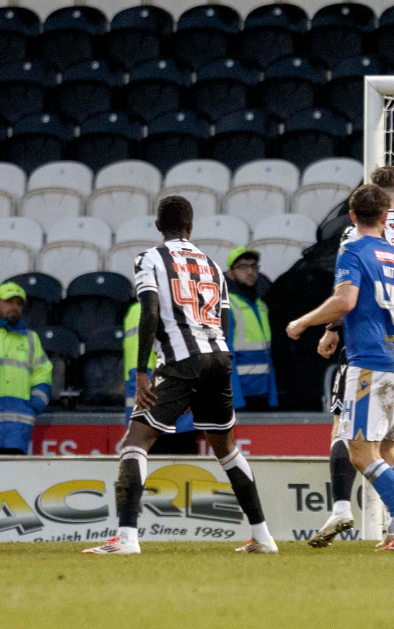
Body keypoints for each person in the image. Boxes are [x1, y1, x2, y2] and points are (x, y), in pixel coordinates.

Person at [83, 195, 276, 555]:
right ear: (190, 227)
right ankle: (263, 536)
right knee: (227, 449)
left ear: (158, 226)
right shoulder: (213, 266)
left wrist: (142, 370)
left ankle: (126, 538)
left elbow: (150, 312)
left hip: (180, 361)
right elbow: (222, 319)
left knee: (135, 442)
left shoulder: (150, 258)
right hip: (218, 359)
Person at [286, 184, 394, 551]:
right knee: (389, 449)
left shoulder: (353, 248)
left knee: (360, 452)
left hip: (369, 360)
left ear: (351, 216)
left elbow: (345, 299)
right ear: (385, 217)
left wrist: (304, 322)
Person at [0, 282, 51, 455]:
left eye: (18, 303)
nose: (14, 307)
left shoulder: (31, 338)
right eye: (9, 302)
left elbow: (43, 373)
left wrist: (34, 403)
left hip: (18, 431)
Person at [123, 301, 197, 454]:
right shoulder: (143, 310)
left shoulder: (183, 308)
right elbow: (137, 369)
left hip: (177, 416)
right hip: (155, 416)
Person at [223, 246, 278, 411]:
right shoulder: (227, 305)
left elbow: (267, 354)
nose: (250, 272)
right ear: (230, 273)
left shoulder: (261, 305)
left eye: (253, 266)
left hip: (261, 394)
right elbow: (226, 356)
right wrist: (236, 400)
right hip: (242, 398)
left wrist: (272, 396)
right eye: (242, 267)